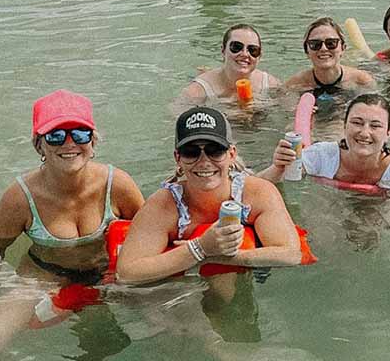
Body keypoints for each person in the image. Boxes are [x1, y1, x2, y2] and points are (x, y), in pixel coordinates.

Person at [0, 90, 144, 358]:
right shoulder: (19, 197)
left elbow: (149, 235)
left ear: (93, 141)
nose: (69, 143)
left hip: (108, 274)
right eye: (56, 136)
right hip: (43, 276)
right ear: (39, 145)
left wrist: (124, 278)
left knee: (173, 320)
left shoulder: (117, 184)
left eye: (80, 133)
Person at [116, 106, 301, 285]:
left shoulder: (258, 193)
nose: (204, 162)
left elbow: (290, 254)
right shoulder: (164, 205)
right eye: (191, 152)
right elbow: (127, 273)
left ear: (232, 154)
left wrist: (216, 256)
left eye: (215, 151)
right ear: (178, 158)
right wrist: (200, 248)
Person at [259, 93, 390, 268]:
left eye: (375, 126)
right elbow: (259, 185)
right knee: (321, 236)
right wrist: (278, 167)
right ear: (344, 127)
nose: (364, 132)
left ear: (388, 134)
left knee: (366, 240)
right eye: (357, 122)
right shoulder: (322, 156)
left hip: (377, 199)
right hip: (330, 194)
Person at [181, 24, 281, 106]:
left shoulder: (269, 84)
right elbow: (176, 116)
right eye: (236, 47)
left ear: (259, 57)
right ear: (223, 50)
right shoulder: (199, 90)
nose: (245, 54)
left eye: (253, 50)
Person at [284, 17, 375, 96]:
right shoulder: (294, 86)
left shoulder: (361, 81)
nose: (323, 49)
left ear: (343, 48)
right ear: (307, 51)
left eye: (331, 43)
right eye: (315, 44)